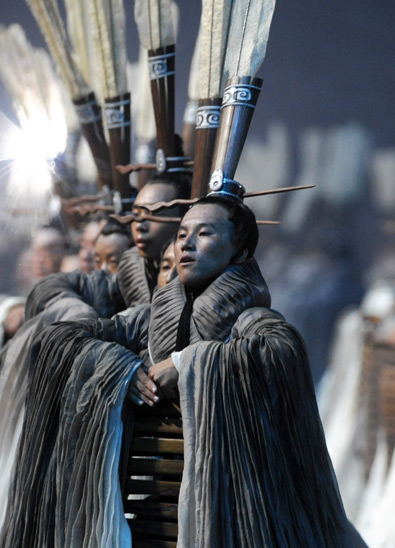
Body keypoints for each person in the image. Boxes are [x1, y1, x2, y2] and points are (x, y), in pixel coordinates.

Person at [1, 195, 366, 547]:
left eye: (205, 233)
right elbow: (65, 339)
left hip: (228, 515)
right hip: (140, 509)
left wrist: (188, 365)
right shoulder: (146, 320)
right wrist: (117, 368)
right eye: (181, 235)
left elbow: (280, 350)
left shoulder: (252, 320)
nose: (187, 244)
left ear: (240, 252)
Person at [117, 174, 191, 307]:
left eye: (153, 214)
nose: (139, 225)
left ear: (183, 217)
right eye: (136, 214)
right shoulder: (132, 264)